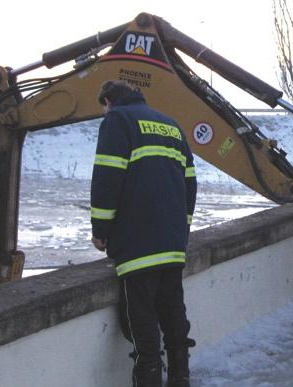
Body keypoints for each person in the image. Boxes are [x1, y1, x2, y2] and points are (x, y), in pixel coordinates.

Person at [90, 79, 197, 387]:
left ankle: (148, 378)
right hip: (172, 243)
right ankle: (181, 377)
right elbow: (190, 182)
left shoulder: (118, 120)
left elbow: (108, 177)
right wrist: (182, 228)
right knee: (173, 312)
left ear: (109, 100)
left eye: (104, 107)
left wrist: (101, 230)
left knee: (141, 321)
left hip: (138, 243)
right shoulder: (170, 125)